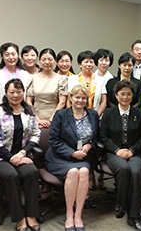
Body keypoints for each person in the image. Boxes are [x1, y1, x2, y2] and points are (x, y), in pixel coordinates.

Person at [0, 79, 41, 231]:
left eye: (19, 92)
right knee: (11, 175)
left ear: (23, 93)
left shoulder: (29, 111)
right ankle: (18, 217)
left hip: (21, 154)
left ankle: (31, 214)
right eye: (12, 92)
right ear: (6, 93)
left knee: (32, 172)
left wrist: (23, 153)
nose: (16, 95)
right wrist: (11, 157)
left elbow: (36, 134)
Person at [45, 84, 98, 231]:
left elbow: (95, 138)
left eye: (83, 98)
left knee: (84, 172)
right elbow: (54, 141)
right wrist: (72, 153)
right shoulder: (60, 115)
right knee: (74, 172)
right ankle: (69, 213)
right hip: (60, 157)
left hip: (83, 156)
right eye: (77, 97)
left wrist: (89, 145)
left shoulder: (93, 114)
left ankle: (78, 215)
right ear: (71, 98)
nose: (80, 100)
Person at [100, 80, 141, 231]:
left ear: (132, 96)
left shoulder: (138, 113)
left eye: (129, 94)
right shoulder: (108, 113)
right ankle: (121, 202)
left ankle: (134, 215)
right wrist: (117, 150)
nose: (125, 97)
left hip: (134, 153)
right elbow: (103, 137)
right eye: (122, 94)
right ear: (116, 96)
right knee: (124, 169)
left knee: (135, 171)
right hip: (113, 153)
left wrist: (132, 150)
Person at [26, 48, 68, 128]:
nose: (47, 62)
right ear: (40, 61)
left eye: (50, 59)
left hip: (55, 119)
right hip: (35, 118)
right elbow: (28, 101)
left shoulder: (61, 79)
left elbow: (62, 102)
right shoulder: (33, 78)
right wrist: (37, 119)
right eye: (44, 59)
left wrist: (51, 120)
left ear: (55, 61)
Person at [0, 42, 30, 108]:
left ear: (17, 55)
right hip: (1, 114)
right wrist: (5, 112)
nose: (11, 57)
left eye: (13, 54)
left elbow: (28, 97)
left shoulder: (26, 75)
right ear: (2, 56)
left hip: (22, 112)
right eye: (7, 54)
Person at [67, 50, 107, 117]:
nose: (89, 64)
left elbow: (103, 102)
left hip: (95, 115)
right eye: (86, 62)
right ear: (80, 64)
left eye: (91, 62)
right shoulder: (72, 79)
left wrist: (95, 116)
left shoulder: (100, 80)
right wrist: (73, 116)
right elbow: (68, 101)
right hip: (75, 116)